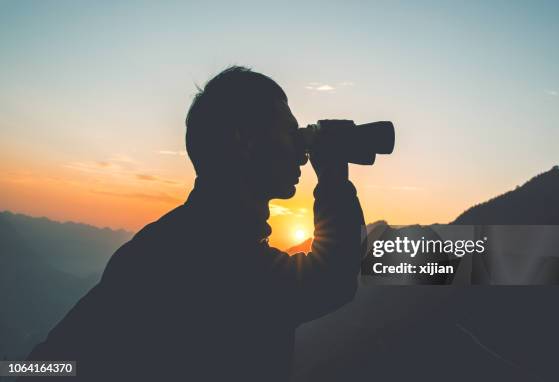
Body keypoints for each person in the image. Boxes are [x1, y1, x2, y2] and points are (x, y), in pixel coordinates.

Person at [22, 66, 365, 381]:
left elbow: (52, 361)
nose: (302, 153)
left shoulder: (157, 246)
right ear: (243, 140)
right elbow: (332, 279)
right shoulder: (223, 262)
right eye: (291, 134)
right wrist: (334, 176)